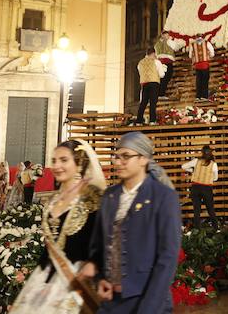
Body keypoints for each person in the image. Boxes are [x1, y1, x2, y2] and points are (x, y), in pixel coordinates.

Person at [84, 132, 181, 313]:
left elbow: (167, 258)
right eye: (116, 156)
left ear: (143, 159)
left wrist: (149, 308)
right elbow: (98, 246)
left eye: (126, 156)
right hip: (112, 302)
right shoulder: (109, 196)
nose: (118, 162)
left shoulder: (163, 197)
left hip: (148, 301)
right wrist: (100, 278)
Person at [12, 139, 106, 314]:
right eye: (54, 160)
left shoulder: (92, 198)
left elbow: (105, 240)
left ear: (79, 163)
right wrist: (43, 279)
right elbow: (50, 247)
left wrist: (94, 264)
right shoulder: (52, 202)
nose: (57, 166)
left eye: (64, 160)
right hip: (48, 277)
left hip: (80, 282)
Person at [182, 145, 219, 229]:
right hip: (206, 188)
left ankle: (197, 230)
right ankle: (216, 228)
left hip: (195, 187)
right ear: (211, 153)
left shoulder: (196, 161)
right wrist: (208, 178)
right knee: (210, 210)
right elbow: (216, 178)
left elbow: (183, 166)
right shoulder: (213, 164)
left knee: (196, 211)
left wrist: (193, 171)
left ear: (202, 152)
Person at [136, 47, 165, 125]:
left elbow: (140, 72)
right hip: (154, 83)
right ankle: (152, 121)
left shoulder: (140, 63)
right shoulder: (156, 62)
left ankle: (138, 121)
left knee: (143, 102)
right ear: (153, 53)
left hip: (145, 84)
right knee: (153, 102)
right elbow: (162, 74)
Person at [188, 33, 215, 101]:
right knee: (205, 81)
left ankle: (198, 96)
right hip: (205, 64)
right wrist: (208, 55)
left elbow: (190, 56)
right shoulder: (206, 43)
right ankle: (204, 96)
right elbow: (212, 53)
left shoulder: (193, 44)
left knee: (198, 81)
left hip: (197, 65)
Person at [154, 31, 180, 98]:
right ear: (163, 35)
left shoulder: (157, 44)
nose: (167, 37)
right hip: (167, 62)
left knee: (164, 78)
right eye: (166, 35)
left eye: (168, 35)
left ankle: (160, 93)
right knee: (165, 78)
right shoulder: (168, 42)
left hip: (162, 62)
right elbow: (176, 47)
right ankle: (161, 94)